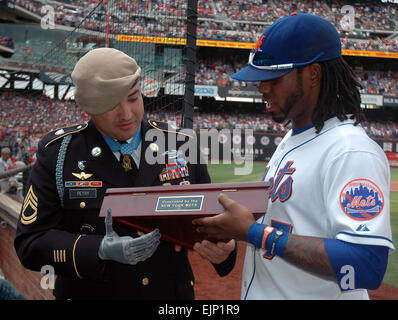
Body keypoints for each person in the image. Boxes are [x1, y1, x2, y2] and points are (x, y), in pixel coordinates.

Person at [193, 13, 395, 300]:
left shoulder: (350, 150)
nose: (262, 87)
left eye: (273, 78)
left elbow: (365, 265)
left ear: (313, 74)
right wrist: (234, 241)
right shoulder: (293, 137)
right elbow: (287, 225)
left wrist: (253, 233)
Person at [14, 48, 236, 300]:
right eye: (111, 105)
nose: (127, 114)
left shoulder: (181, 145)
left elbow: (211, 226)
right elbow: (30, 244)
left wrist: (226, 249)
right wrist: (96, 250)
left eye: (133, 98)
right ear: (89, 106)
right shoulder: (59, 153)